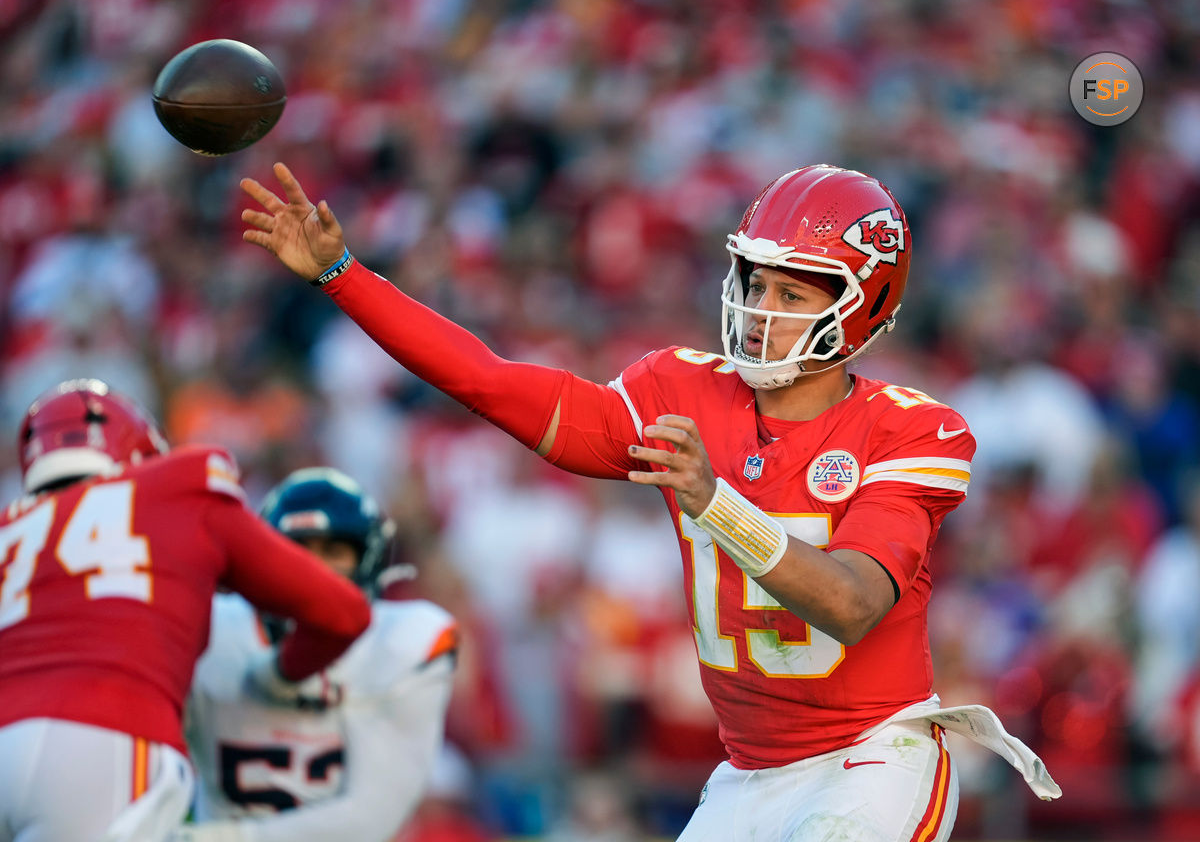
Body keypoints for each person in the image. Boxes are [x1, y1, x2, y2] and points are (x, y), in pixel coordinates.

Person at [241, 162, 1061, 841]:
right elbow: (491, 383)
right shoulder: (680, 388)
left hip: (874, 759)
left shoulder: (911, 430)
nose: (764, 311)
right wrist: (343, 277)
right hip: (749, 774)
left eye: (796, 291)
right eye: (758, 281)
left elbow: (850, 603)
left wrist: (716, 502)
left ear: (865, 304)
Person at [0, 379, 371, 842]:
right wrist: (280, 675)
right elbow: (343, 612)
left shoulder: (11, 528)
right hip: (107, 735)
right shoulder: (178, 488)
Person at [177, 467, 459, 842]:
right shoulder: (213, 630)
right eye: (297, 549)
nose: (312, 569)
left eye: (333, 551)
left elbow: (371, 819)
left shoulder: (403, 644)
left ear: (368, 562)